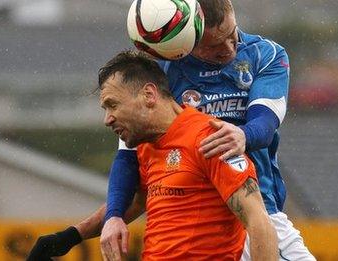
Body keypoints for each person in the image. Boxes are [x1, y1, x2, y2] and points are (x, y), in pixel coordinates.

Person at [28, 0, 315, 260]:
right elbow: (130, 166)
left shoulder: (265, 55)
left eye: (233, 35)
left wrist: (244, 135)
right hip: (199, 225)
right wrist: (96, 224)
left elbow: (265, 124)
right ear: (185, 44)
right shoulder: (162, 75)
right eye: (215, 46)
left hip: (258, 210)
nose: (229, 49)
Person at [108, 51, 277, 260]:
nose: (108, 119)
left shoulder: (209, 138)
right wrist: (82, 231)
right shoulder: (147, 148)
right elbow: (135, 201)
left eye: (113, 105)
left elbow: (259, 223)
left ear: (149, 95)